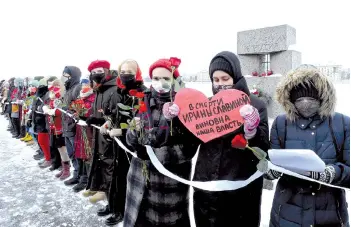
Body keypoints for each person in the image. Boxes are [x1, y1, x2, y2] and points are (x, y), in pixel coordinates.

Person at [190, 51, 269, 227]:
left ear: (236, 76)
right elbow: (190, 145)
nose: (220, 84)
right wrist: (179, 122)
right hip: (207, 187)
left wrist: (252, 132)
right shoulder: (206, 106)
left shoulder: (255, 105)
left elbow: (263, 150)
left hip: (240, 190)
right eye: (215, 80)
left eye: (225, 79)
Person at [267, 68, 350, 226]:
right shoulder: (281, 123)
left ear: (322, 97)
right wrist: (271, 170)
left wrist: (332, 172)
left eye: (310, 98)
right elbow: (268, 164)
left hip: (330, 214)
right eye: (299, 99)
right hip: (287, 214)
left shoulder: (342, 123)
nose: (305, 103)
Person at [124, 58, 198, 227]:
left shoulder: (185, 106)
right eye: (156, 78)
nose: (160, 83)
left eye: (166, 78)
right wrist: (134, 134)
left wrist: (153, 153)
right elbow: (129, 138)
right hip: (138, 180)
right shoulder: (143, 102)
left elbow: (188, 150)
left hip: (167, 186)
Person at [98, 59, 146, 226]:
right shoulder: (119, 91)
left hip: (131, 145)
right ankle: (113, 206)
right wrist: (108, 123)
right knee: (114, 175)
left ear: (137, 73)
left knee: (126, 177)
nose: (125, 75)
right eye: (122, 72)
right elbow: (114, 113)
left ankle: (121, 211)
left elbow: (142, 122)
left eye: (130, 72)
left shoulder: (142, 93)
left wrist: (123, 131)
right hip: (115, 141)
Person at [85, 60, 121, 204]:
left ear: (107, 70)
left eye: (99, 71)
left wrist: (104, 122)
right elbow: (100, 111)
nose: (96, 74)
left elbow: (114, 113)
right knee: (99, 160)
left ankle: (110, 196)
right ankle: (101, 188)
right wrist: (93, 118)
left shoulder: (113, 88)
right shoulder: (100, 89)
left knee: (109, 165)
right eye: (93, 72)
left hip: (110, 135)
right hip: (100, 133)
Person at [70, 76, 95, 192]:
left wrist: (83, 115)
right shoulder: (80, 96)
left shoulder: (93, 97)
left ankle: (88, 181)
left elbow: (91, 112)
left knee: (88, 154)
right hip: (80, 129)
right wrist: (76, 113)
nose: (84, 87)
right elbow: (77, 109)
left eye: (87, 84)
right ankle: (82, 178)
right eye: (83, 84)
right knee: (80, 154)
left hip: (88, 130)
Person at [60, 66, 82, 186]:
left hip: (74, 128)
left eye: (66, 75)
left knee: (78, 153)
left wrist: (69, 110)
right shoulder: (68, 89)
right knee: (71, 153)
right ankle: (76, 174)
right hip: (66, 126)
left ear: (73, 76)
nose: (64, 78)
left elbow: (80, 107)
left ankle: (81, 177)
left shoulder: (77, 88)